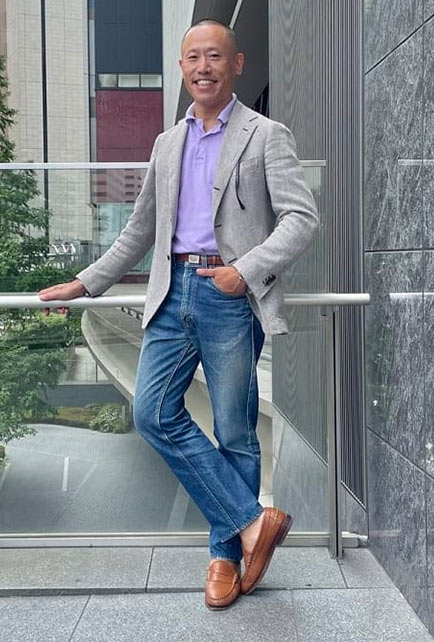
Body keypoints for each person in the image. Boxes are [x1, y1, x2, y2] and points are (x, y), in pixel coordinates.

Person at [39, 19, 319, 610]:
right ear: (182, 67)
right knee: (153, 414)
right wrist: (85, 282)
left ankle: (225, 555)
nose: (202, 67)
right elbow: (139, 230)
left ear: (236, 64)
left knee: (235, 430)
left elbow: (301, 218)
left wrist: (245, 270)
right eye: (193, 57)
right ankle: (251, 523)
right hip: (170, 295)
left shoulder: (267, 135)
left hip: (228, 294)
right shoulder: (167, 143)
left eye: (214, 56)